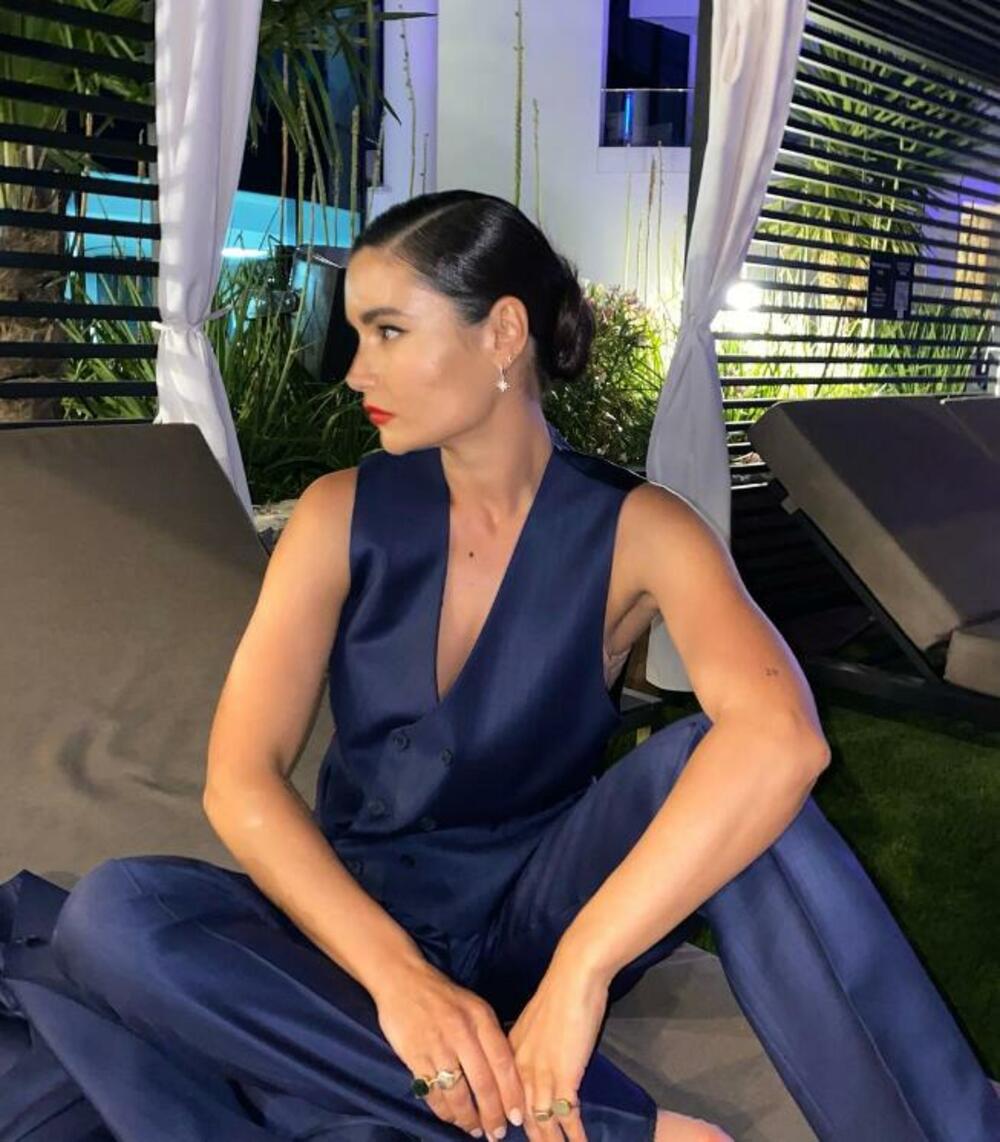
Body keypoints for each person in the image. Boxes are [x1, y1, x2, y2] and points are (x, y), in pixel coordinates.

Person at [1, 190, 997, 1142]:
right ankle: (599, 1125)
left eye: (388, 331)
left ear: (503, 334)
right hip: (347, 934)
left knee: (731, 766)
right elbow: (240, 777)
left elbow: (782, 738)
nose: (355, 371)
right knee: (118, 913)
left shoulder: (643, 531)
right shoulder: (337, 514)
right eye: (357, 335)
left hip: (533, 914)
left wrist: (581, 969)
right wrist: (400, 980)